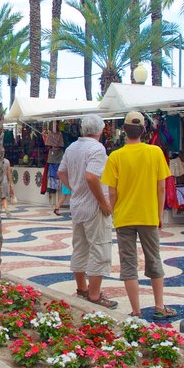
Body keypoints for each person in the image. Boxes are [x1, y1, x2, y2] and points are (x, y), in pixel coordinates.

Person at [101, 111, 175, 320]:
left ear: (124, 130)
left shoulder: (115, 157)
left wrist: (113, 211)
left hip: (125, 217)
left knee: (128, 264)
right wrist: (159, 214)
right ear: (144, 130)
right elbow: (161, 188)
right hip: (149, 215)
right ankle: (159, 306)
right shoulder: (155, 152)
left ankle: (136, 310)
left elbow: (112, 191)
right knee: (154, 259)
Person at [58, 114, 116, 309]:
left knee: (80, 247)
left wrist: (75, 188)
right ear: (100, 130)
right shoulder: (97, 148)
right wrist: (103, 202)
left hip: (77, 206)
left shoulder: (72, 147)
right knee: (99, 248)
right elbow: (92, 177)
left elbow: (61, 172)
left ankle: (82, 288)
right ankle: (94, 294)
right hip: (93, 206)